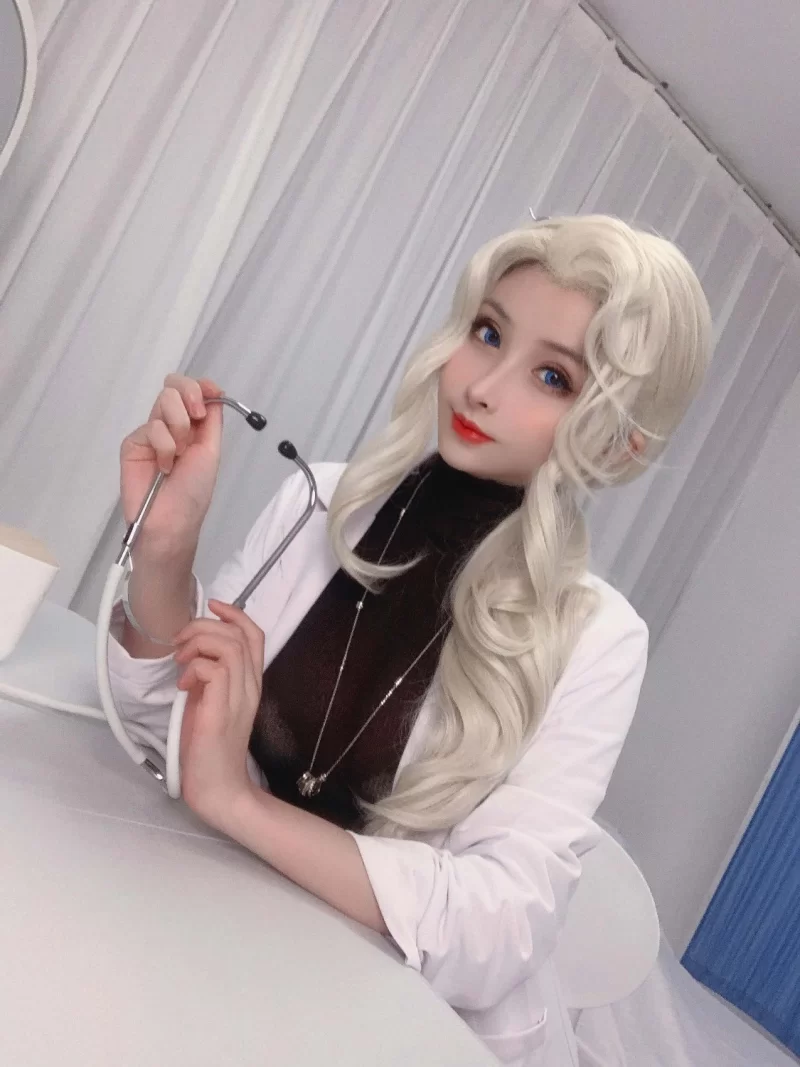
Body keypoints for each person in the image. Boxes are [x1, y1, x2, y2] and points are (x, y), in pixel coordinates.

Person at [108, 215, 711, 1066]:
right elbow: (159, 731)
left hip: (384, 1020)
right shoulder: (323, 503)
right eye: (488, 332)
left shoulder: (596, 636)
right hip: (212, 929)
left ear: (620, 442)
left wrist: (242, 804)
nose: (481, 387)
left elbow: (497, 927)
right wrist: (166, 553)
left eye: (551, 376)